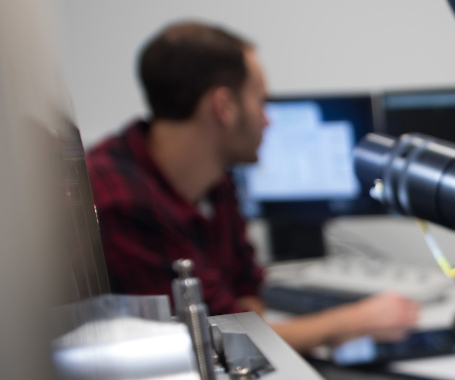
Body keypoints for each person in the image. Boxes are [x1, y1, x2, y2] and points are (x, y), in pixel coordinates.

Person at [86, 21, 418, 353]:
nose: (267, 119)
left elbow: (245, 290)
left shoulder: (216, 178)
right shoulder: (119, 201)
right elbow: (219, 340)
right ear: (224, 108)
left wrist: (243, 322)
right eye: (260, 102)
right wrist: (354, 321)